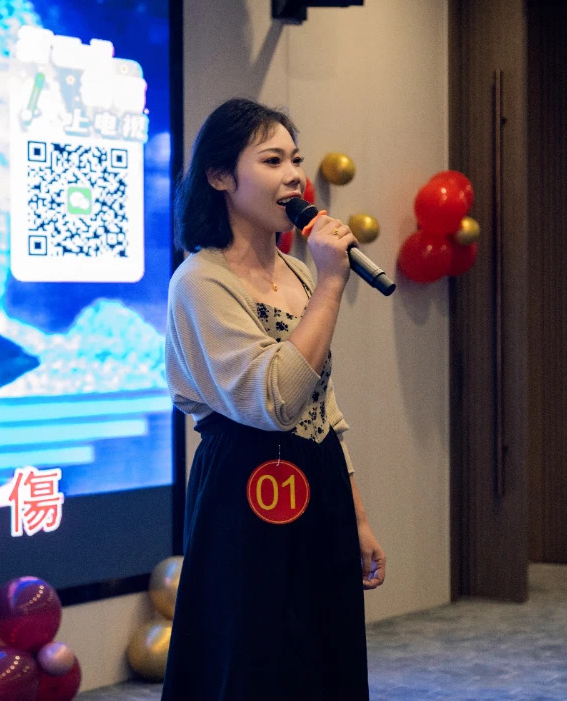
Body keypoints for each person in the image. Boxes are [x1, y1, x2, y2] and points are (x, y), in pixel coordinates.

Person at [162, 98, 385, 700]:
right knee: (253, 656)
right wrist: (333, 283)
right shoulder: (200, 282)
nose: (293, 176)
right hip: (243, 484)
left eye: (296, 160)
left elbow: (320, 404)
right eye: (271, 160)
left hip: (320, 476)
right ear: (219, 176)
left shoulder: (301, 272)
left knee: (322, 652)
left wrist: (358, 516)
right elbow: (275, 400)